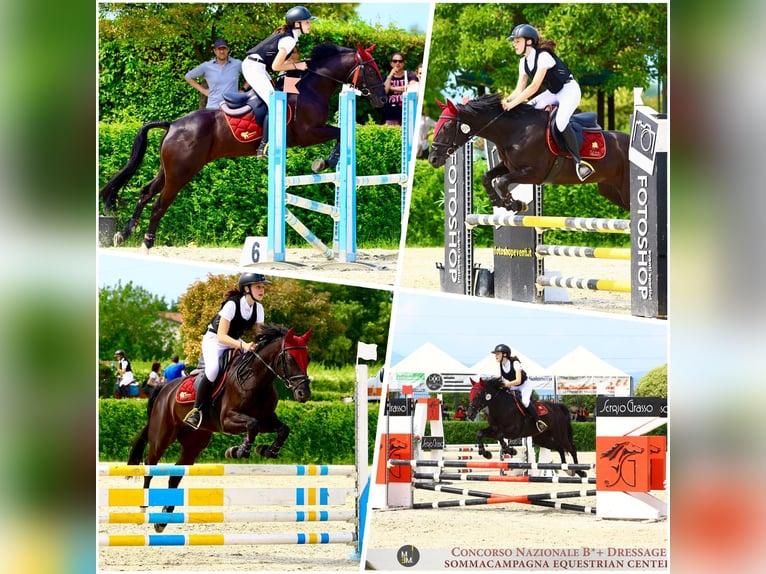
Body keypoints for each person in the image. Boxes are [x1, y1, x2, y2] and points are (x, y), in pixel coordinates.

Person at [501, 24, 595, 182]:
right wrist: (506, 101)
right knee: (527, 111)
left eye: (517, 41)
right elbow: (519, 89)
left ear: (529, 41)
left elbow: (534, 86)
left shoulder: (543, 56)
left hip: (569, 90)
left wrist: (513, 104)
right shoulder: (523, 63)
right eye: (514, 41)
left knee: (560, 123)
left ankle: (580, 162)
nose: (514, 44)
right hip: (553, 92)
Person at [184, 273, 271, 429]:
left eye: (263, 287)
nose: (262, 290)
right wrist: (244, 346)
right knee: (213, 370)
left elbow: (260, 335)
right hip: (215, 341)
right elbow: (222, 336)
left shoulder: (259, 308)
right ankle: (196, 411)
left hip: (235, 341)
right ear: (247, 288)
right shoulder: (232, 304)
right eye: (258, 286)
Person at [242, 5, 317, 158]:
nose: (309, 25)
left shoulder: (291, 37)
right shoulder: (289, 40)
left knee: (277, 97)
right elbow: (277, 66)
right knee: (276, 102)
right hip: (253, 68)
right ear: (297, 24)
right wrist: (298, 65)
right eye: (307, 22)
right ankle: (264, 147)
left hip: (258, 67)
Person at [492, 343, 547, 432]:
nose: (496, 356)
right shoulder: (501, 365)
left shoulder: (515, 363)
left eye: (498, 354)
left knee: (525, 402)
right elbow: (501, 377)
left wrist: (505, 385)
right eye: (496, 354)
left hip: (524, 385)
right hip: (513, 385)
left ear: (505, 354)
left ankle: (538, 421)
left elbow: (518, 380)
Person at [185, 38, 244, 110]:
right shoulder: (206, 66)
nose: (222, 51)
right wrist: (203, 90)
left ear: (228, 50)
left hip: (233, 107)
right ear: (215, 51)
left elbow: (251, 74)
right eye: (219, 49)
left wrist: (243, 89)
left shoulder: (237, 64)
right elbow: (188, 76)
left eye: (224, 49)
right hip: (213, 108)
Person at [383, 52, 418, 126]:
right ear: (391, 63)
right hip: (391, 115)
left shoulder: (410, 75)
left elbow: (411, 88)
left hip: (408, 113)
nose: (397, 63)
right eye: (395, 61)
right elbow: (385, 91)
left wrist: (392, 88)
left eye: (400, 61)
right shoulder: (387, 78)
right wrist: (390, 76)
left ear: (404, 63)